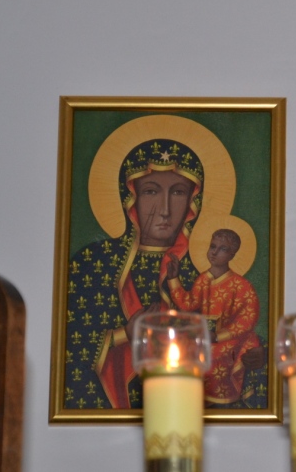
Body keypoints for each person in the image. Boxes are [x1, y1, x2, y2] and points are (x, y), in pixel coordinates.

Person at [65, 139, 203, 409]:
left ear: (192, 202)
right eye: (151, 191)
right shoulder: (93, 263)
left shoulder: (199, 275)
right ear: (130, 197)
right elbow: (67, 347)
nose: (164, 210)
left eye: (178, 192)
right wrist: (124, 334)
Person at [165, 228, 265, 406]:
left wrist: (218, 336)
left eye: (223, 249)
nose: (214, 252)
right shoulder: (204, 280)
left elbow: (247, 320)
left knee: (212, 357)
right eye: (213, 246)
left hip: (231, 340)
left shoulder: (241, 286)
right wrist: (173, 279)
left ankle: (219, 402)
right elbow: (188, 303)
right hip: (206, 336)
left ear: (232, 255)